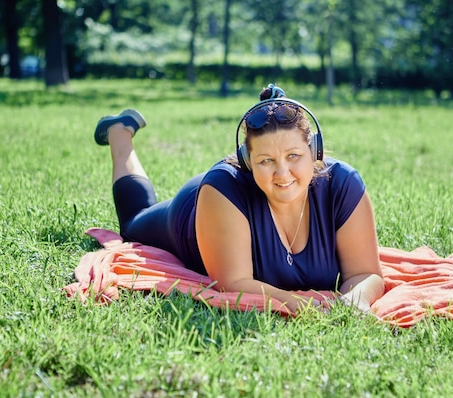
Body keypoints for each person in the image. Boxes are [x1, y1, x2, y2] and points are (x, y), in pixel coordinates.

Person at [93, 84, 384, 314]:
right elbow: (234, 283)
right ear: (246, 161)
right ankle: (120, 133)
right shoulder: (225, 189)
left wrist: (354, 303)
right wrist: (305, 306)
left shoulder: (343, 185)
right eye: (266, 160)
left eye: (293, 156)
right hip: (202, 211)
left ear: (315, 152)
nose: (282, 173)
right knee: (133, 225)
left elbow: (365, 273)